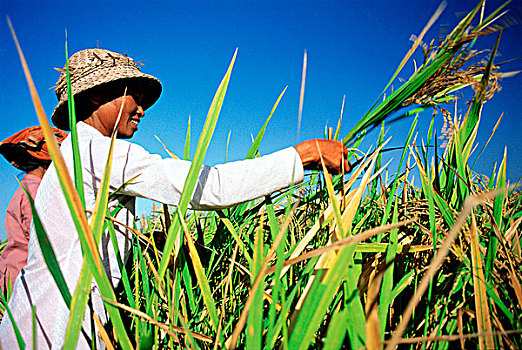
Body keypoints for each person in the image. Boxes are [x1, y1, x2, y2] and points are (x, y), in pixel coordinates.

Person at [0, 48, 351, 348]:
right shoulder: (93, 153)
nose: (142, 109)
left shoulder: (70, 158)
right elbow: (208, 186)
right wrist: (301, 155)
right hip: (56, 330)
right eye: (133, 95)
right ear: (94, 96)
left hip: (29, 322)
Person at [0, 126, 67, 296]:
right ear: (47, 163)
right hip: (25, 280)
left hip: (11, 272)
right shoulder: (37, 191)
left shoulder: (25, 187)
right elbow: (42, 239)